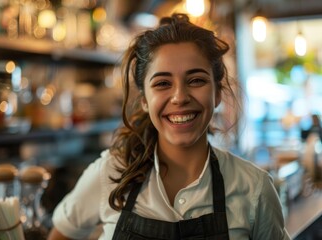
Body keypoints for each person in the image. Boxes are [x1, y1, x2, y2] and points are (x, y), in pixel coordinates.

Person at [48, 13, 290, 240]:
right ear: (144, 100)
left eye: (196, 80)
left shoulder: (255, 188)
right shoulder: (111, 173)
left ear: (217, 94)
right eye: (163, 83)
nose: (179, 97)